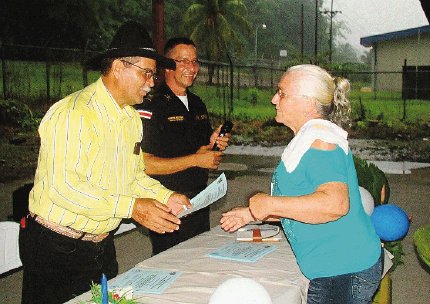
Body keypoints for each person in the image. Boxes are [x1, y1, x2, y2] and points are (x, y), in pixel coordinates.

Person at [18, 21, 191, 304]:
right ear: (119, 67)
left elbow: (133, 176)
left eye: (154, 75)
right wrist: (131, 207)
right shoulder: (73, 114)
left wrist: (165, 196)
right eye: (147, 73)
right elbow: (64, 188)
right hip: (56, 248)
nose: (151, 82)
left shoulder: (130, 119)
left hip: (100, 246)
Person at [220, 64, 383, 304]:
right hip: (336, 268)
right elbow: (303, 202)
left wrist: (268, 203)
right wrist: (251, 213)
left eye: (282, 93)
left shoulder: (321, 142)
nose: (274, 98)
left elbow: (335, 204)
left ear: (308, 102)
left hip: (343, 271)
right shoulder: (310, 138)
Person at [135, 37, 230, 255]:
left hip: (198, 202)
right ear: (167, 66)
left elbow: (202, 155)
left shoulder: (197, 104)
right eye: (183, 61)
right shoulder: (151, 106)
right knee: (171, 266)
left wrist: (212, 146)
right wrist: (196, 159)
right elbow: (144, 164)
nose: (192, 67)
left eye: (195, 61)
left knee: (198, 263)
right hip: (168, 206)